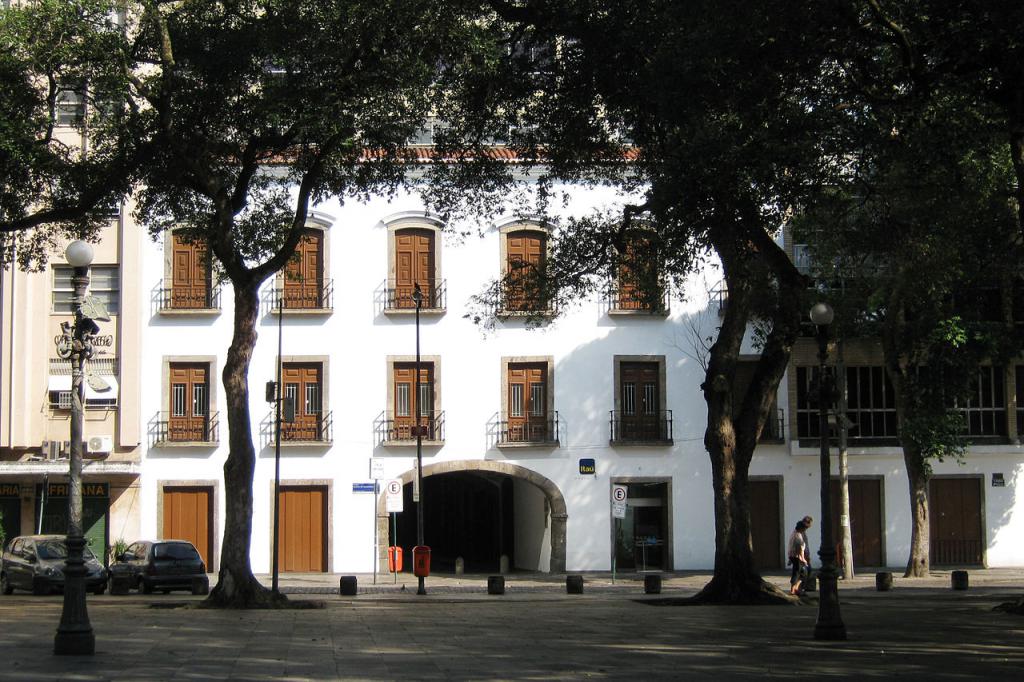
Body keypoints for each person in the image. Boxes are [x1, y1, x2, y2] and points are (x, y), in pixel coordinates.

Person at [787, 519, 810, 595]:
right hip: (797, 557)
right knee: (800, 573)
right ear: (802, 528)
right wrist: (803, 558)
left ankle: (796, 588)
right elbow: (800, 548)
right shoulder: (798, 536)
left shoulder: (794, 534)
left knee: (798, 572)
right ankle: (794, 589)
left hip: (792, 556)